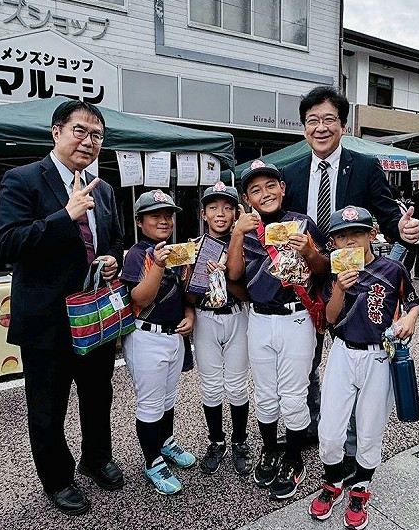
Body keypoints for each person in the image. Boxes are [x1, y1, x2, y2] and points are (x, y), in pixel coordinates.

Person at [0, 100, 125, 516]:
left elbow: (115, 239)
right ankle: (57, 479)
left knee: (98, 394)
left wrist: (112, 259)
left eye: (97, 135)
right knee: (48, 406)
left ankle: (96, 457)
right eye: (80, 131)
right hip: (47, 320)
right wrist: (64, 216)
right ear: (56, 132)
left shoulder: (103, 189)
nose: (88, 141)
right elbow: (7, 243)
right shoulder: (23, 180)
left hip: (94, 315)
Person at [281, 85, 419, 446]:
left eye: (329, 119)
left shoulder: (365, 167)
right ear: (303, 127)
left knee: (357, 355)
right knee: (306, 358)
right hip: (305, 278)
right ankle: (311, 423)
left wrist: (404, 229)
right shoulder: (290, 173)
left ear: (343, 125)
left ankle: (354, 441)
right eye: (313, 120)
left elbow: (389, 217)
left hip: (355, 280)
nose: (321, 127)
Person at [308, 206, 419, 528]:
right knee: (330, 432)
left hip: (379, 356)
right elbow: (330, 318)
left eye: (357, 233)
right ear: (333, 242)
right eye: (341, 236)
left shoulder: (392, 269)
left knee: (370, 430)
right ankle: (333, 482)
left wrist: (410, 319)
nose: (350, 241)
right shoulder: (335, 270)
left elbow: (412, 304)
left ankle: (360, 488)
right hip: (343, 353)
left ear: (372, 234)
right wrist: (340, 289)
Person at [226, 160, 329, 501]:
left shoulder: (302, 223)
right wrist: (237, 233)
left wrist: (309, 251)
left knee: (294, 395)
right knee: (266, 394)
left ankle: (294, 458)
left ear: (283, 188)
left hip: (296, 318)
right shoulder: (245, 228)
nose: (265, 193)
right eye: (255, 190)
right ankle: (270, 449)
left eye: (271, 185)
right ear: (247, 198)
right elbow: (234, 275)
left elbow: (324, 270)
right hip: (258, 318)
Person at [120, 189, 197, 495]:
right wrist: (158, 265)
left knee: (167, 400)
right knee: (151, 404)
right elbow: (139, 298)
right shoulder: (138, 253)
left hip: (173, 336)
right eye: (155, 216)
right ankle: (152, 462)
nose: (164, 221)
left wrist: (189, 314)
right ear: (140, 221)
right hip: (146, 336)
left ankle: (165, 443)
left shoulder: (176, 251)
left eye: (168, 215)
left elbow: (184, 295)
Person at [191, 182, 253, 476]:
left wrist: (225, 278)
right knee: (211, 386)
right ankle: (216, 441)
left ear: (236, 213)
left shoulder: (245, 244)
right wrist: (194, 274)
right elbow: (189, 296)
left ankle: (240, 440)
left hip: (237, 315)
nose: (220, 213)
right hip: (205, 318)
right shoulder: (193, 247)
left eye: (227, 208)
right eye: (213, 207)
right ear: (203, 214)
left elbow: (248, 294)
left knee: (238, 385)